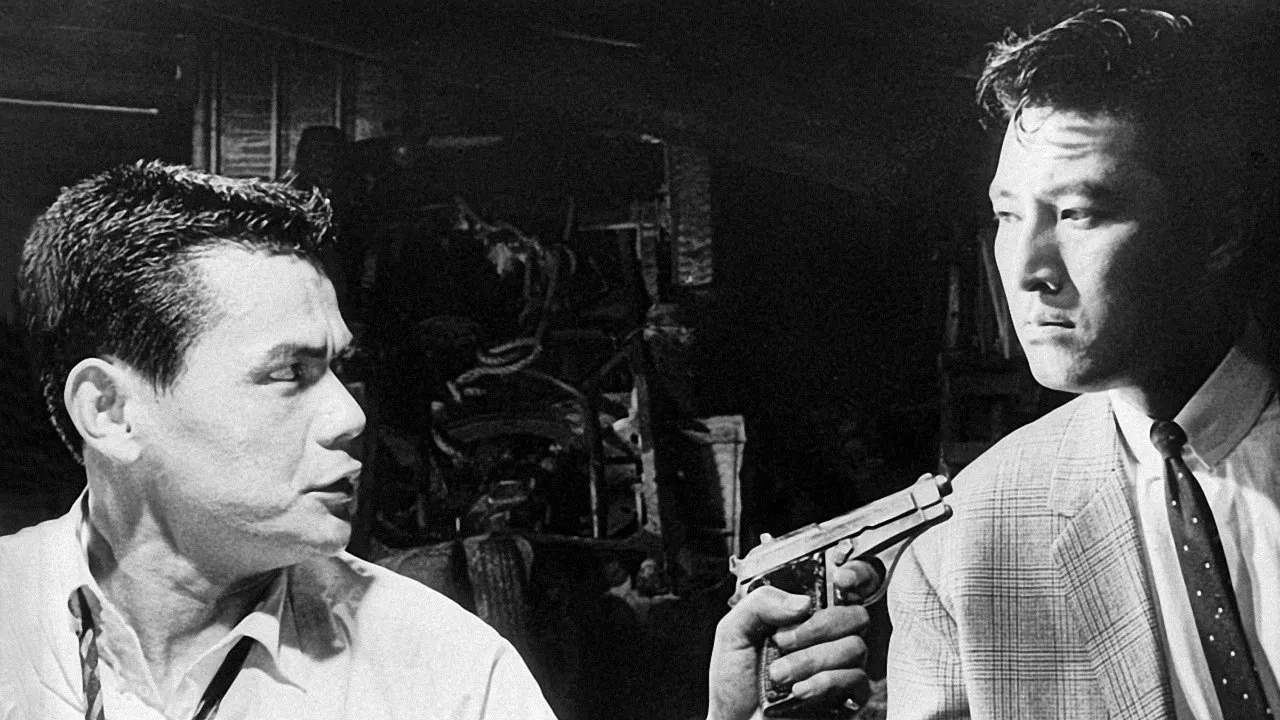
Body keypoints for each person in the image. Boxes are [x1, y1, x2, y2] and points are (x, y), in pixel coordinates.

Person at [0, 160, 874, 718]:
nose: (349, 416)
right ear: (110, 411)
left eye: (338, 368)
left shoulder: (442, 669)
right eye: (288, 373)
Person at [882, 7, 1280, 719]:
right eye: (1008, 216)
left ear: (1221, 231)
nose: (1026, 269)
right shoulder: (962, 547)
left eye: (1077, 213)